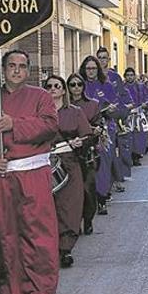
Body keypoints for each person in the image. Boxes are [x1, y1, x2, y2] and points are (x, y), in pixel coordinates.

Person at [0, 50, 59, 294]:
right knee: (2, 233)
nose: (16, 70)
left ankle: (40, 289)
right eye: (11, 66)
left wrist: (14, 124)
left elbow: (49, 125)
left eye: (22, 66)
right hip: (0, 175)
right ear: (3, 69)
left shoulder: (41, 97)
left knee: (36, 233)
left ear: (28, 70)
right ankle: (9, 289)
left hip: (32, 175)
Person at [44, 75, 95, 268]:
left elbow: (88, 135)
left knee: (70, 207)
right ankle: (50, 247)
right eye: (49, 86)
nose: (53, 89)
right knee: (49, 208)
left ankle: (65, 249)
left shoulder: (74, 112)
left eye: (57, 86)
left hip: (70, 163)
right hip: (45, 163)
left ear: (64, 90)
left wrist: (81, 141)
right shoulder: (39, 113)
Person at [80, 56, 128, 214]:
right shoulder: (79, 85)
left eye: (94, 68)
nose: (91, 71)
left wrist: (111, 110)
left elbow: (117, 106)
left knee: (103, 164)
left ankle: (102, 197)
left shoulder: (106, 85)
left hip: (105, 130)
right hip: (85, 130)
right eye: (88, 68)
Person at [67, 73, 101, 236]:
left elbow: (98, 125)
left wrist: (92, 134)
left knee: (88, 189)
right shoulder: (63, 107)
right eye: (72, 85)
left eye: (79, 84)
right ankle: (74, 222)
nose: (76, 88)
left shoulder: (92, 105)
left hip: (88, 154)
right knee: (72, 193)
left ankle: (88, 219)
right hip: (67, 155)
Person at [95, 47, 134, 186]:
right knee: (106, 153)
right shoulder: (93, 77)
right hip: (99, 120)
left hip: (115, 119)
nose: (102, 60)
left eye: (104, 57)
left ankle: (117, 179)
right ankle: (109, 183)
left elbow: (123, 96)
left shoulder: (115, 77)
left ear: (108, 59)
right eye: (99, 57)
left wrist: (127, 106)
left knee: (117, 150)